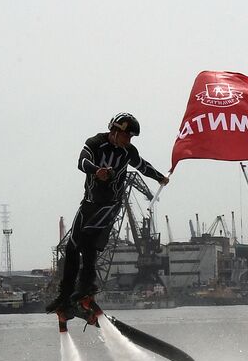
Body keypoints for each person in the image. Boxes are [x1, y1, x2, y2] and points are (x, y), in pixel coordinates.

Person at [46, 113, 169, 313]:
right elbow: (82, 162)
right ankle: (65, 295)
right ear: (115, 131)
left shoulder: (128, 151)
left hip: (110, 205)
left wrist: (160, 177)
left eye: (131, 138)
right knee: (71, 248)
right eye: (126, 136)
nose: (128, 141)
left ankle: (86, 288)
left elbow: (142, 165)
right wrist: (96, 171)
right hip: (89, 203)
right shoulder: (95, 143)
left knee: (88, 244)